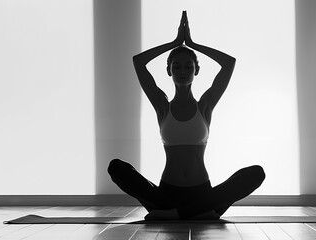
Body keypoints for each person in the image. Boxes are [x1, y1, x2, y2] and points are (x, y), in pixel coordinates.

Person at [108, 11, 265, 220]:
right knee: (117, 168)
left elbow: (229, 63)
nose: (183, 70)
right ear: (169, 71)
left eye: (189, 66)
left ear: (196, 70)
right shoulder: (162, 106)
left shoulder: (206, 105)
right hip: (167, 194)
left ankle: (175, 214)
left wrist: (192, 44)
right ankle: (193, 213)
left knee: (255, 173)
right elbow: (139, 62)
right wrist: (174, 43)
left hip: (203, 193)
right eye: (177, 66)